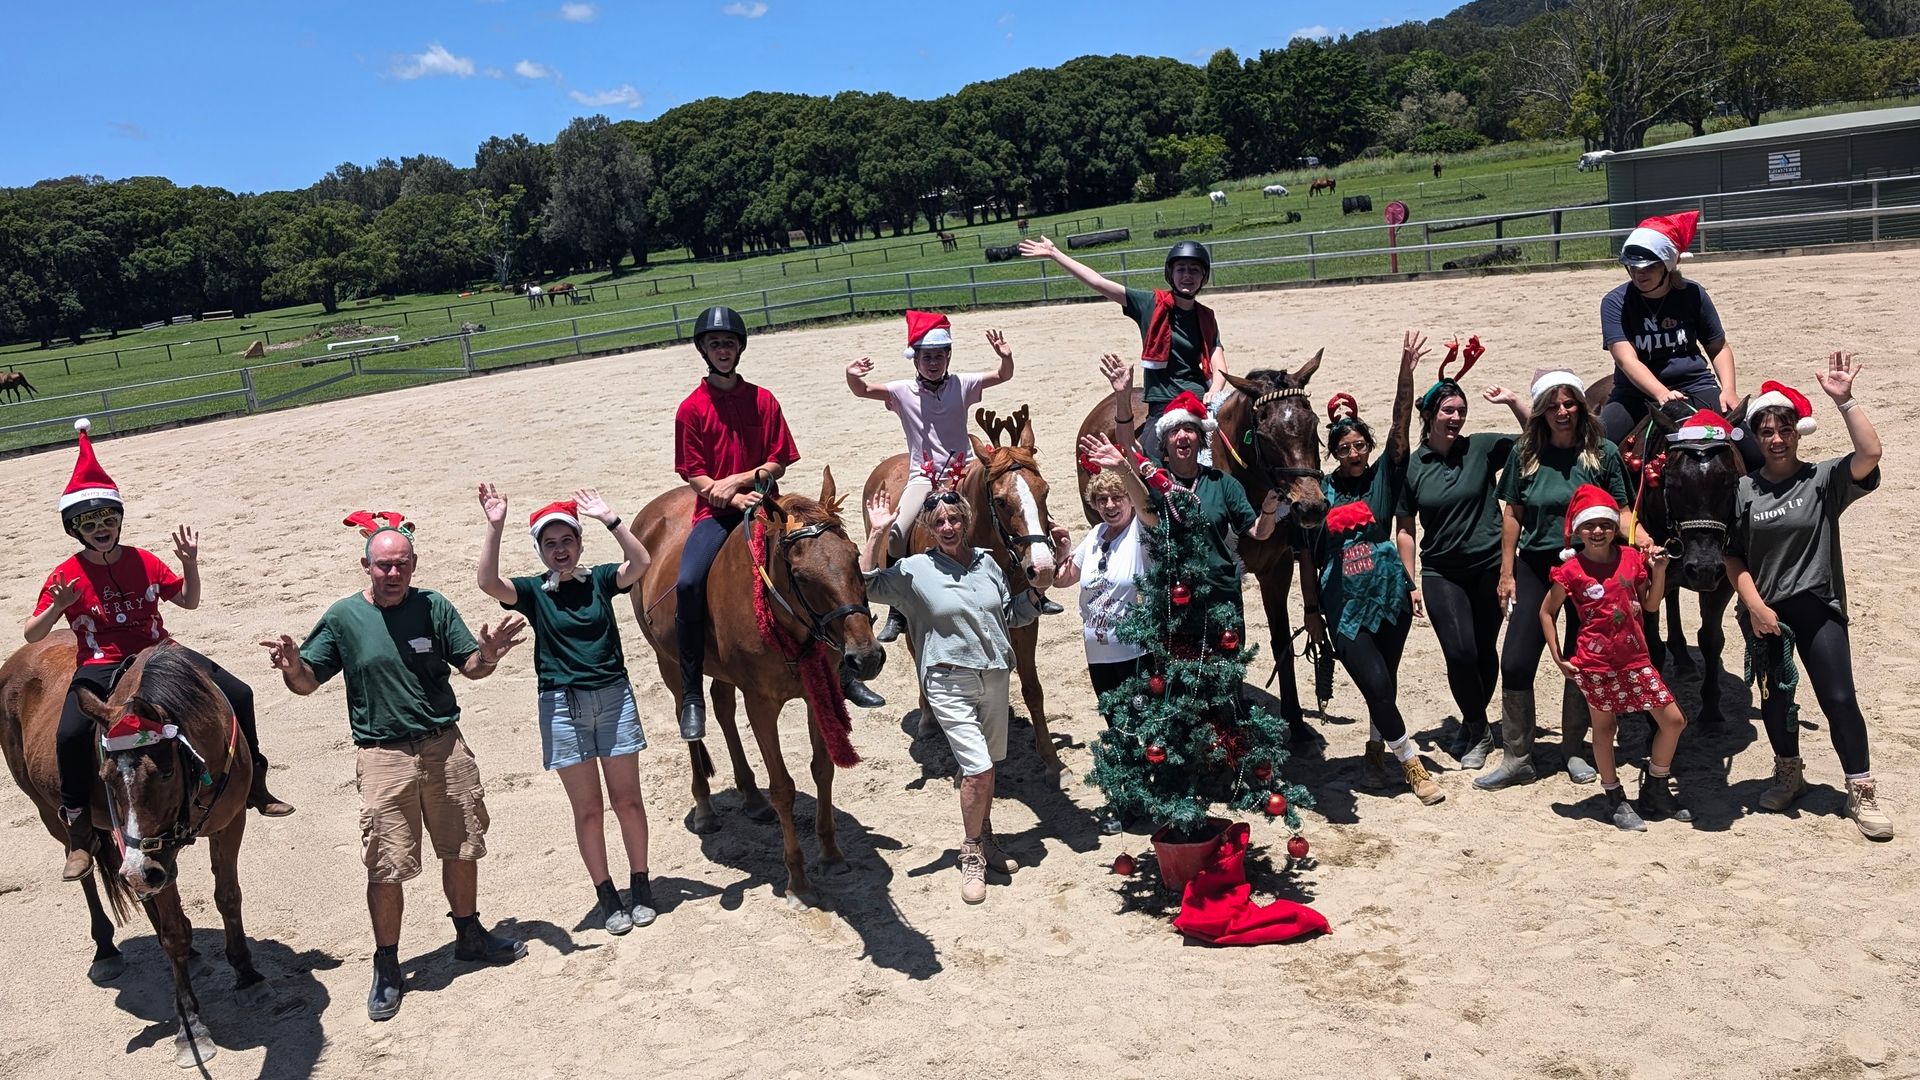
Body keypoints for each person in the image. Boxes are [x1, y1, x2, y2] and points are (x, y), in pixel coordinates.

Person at [260, 517, 528, 1021]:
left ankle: (469, 934)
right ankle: (387, 965)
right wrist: (292, 664)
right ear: (366, 566)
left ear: (413, 565)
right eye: (383, 564)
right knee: (385, 864)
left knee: (462, 843)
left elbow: (470, 666)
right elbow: (307, 682)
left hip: (445, 746)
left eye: (401, 564)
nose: (393, 572)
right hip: (383, 755)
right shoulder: (343, 617)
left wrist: (488, 657)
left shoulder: (434, 607)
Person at [26, 419, 292, 882]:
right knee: (70, 735)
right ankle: (78, 830)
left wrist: (190, 565)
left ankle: (257, 786)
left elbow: (187, 601)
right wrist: (57, 608)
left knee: (241, 692)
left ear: (119, 522)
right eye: (91, 523)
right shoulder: (64, 575)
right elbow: (33, 634)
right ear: (76, 528)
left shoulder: (143, 559)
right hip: (101, 662)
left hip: (159, 651)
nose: (102, 529)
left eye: (109, 520)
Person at [672, 306, 883, 730]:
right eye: (715, 344)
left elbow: (778, 461)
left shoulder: (763, 399)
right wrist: (726, 496)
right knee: (689, 583)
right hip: (715, 516)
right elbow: (693, 473)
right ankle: (692, 689)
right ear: (704, 350)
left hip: (769, 508)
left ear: (739, 348)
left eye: (729, 343)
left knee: (824, 570)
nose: (723, 350)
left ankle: (844, 671)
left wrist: (740, 479)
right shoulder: (691, 409)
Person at [859, 486, 1060, 904]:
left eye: (954, 519)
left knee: (987, 767)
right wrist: (877, 534)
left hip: (994, 678)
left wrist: (1038, 592)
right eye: (939, 523)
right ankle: (971, 853)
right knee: (979, 770)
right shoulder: (914, 569)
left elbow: (1010, 616)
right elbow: (866, 584)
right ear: (930, 530)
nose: (948, 527)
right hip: (947, 681)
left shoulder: (988, 563)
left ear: (965, 522)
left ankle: (986, 840)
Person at [476, 485, 656, 935]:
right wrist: (495, 527)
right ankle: (606, 894)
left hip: (613, 697)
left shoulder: (597, 581)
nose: (560, 551)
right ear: (538, 549)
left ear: (580, 542)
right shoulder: (534, 592)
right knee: (589, 810)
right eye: (550, 543)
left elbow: (642, 564)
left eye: (567, 541)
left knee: (628, 802)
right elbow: (487, 582)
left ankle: (642, 885)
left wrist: (610, 519)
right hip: (561, 705)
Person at [1727, 355, 1891, 839]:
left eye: (1785, 430)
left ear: (1799, 432)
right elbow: (1731, 557)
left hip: (1818, 607)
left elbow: (1871, 454)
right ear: (1756, 438)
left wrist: (1845, 401)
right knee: (1777, 702)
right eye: (1767, 432)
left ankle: (1861, 790)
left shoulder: (1821, 480)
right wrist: (1754, 606)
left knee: (1839, 698)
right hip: (1763, 612)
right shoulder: (1742, 491)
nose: (1776, 440)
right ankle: (1789, 773)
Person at [1299, 332, 1443, 805]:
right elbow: (1306, 556)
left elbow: (1403, 426)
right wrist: (1312, 609)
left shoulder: (1384, 479)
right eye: (1344, 447)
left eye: (1360, 444)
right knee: (1376, 682)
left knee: (1387, 678)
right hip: (1343, 605)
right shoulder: (1318, 493)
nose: (1354, 452)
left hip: (1390, 594)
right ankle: (1412, 765)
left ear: (1368, 444)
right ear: (1333, 451)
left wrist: (1407, 371)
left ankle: (1376, 750)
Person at [1478, 369, 1633, 791]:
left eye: (1569, 404)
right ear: (1541, 410)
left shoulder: (1603, 453)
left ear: (1581, 406)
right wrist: (1506, 572)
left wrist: (1636, 546)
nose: (1562, 412)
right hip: (1535, 564)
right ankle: (1518, 756)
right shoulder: (1526, 453)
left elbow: (1622, 509)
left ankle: (1574, 750)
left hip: (1591, 566)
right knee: (1515, 660)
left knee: (1584, 660)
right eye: (1553, 405)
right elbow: (1512, 514)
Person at [1394, 341, 1530, 769]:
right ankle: (1477, 726)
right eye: (1448, 411)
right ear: (1430, 416)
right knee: (1461, 653)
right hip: (1440, 573)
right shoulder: (1412, 466)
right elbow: (1404, 527)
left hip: (1490, 566)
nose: (1456, 418)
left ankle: (1474, 728)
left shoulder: (1482, 448)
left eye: (1460, 411)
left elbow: (1534, 442)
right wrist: (1410, 579)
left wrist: (1512, 402)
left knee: (1485, 650)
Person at [845, 310, 1017, 642]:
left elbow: (1002, 375)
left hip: (966, 468)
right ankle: (897, 609)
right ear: (916, 359)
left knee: (1012, 498)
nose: (933, 362)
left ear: (948, 356)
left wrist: (1006, 357)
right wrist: (851, 374)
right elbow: (862, 390)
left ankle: (1026, 587)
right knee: (897, 533)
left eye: (939, 355)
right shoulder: (901, 391)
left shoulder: (963, 384)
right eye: (926, 357)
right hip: (924, 476)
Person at [1542, 485, 1689, 831]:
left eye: (1605, 524)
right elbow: (1546, 612)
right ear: (1578, 530)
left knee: (1673, 721)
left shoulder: (1632, 559)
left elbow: (1650, 605)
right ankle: (1614, 797)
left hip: (1636, 659)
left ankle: (1655, 786)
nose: (1597, 531)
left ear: (1614, 527)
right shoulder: (1571, 571)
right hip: (1596, 664)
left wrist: (1661, 572)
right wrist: (1558, 656)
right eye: (1589, 525)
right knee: (1605, 728)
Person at [1019, 235, 1229, 460]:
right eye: (1181, 269)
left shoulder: (1206, 316)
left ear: (1203, 276)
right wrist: (1054, 254)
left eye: (1194, 270)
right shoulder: (1149, 304)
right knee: (1149, 462)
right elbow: (1099, 282)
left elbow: (1219, 365)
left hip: (1200, 401)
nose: (1187, 275)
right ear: (1171, 274)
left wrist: (1214, 390)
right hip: (1164, 403)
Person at [1601, 211, 1760, 469]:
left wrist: (1728, 389)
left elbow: (1717, 347)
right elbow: (1625, 359)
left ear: (1667, 265)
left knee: (1753, 453)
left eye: (1649, 266)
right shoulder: (1615, 302)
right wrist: (1661, 393)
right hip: (1633, 393)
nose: (1638, 273)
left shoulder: (1693, 294)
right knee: (1595, 452)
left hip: (1695, 385)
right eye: (1632, 265)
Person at [1056, 421, 1156, 834]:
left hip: (1136, 652)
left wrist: (1125, 468)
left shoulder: (1142, 531)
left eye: (1117, 497)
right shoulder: (1095, 535)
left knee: (1142, 727)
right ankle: (1131, 798)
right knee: (1118, 726)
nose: (1111, 505)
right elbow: (1063, 579)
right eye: (1102, 499)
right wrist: (1060, 552)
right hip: (1099, 654)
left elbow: (1148, 503)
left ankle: (1148, 797)